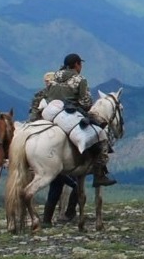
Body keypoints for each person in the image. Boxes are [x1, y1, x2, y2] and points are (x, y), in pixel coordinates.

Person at [42, 54, 115, 187]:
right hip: (69, 114)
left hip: (50, 113)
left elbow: (47, 96)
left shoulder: (54, 78)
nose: (81, 67)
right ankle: (99, 175)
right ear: (76, 64)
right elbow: (86, 102)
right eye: (80, 64)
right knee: (101, 137)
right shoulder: (80, 79)